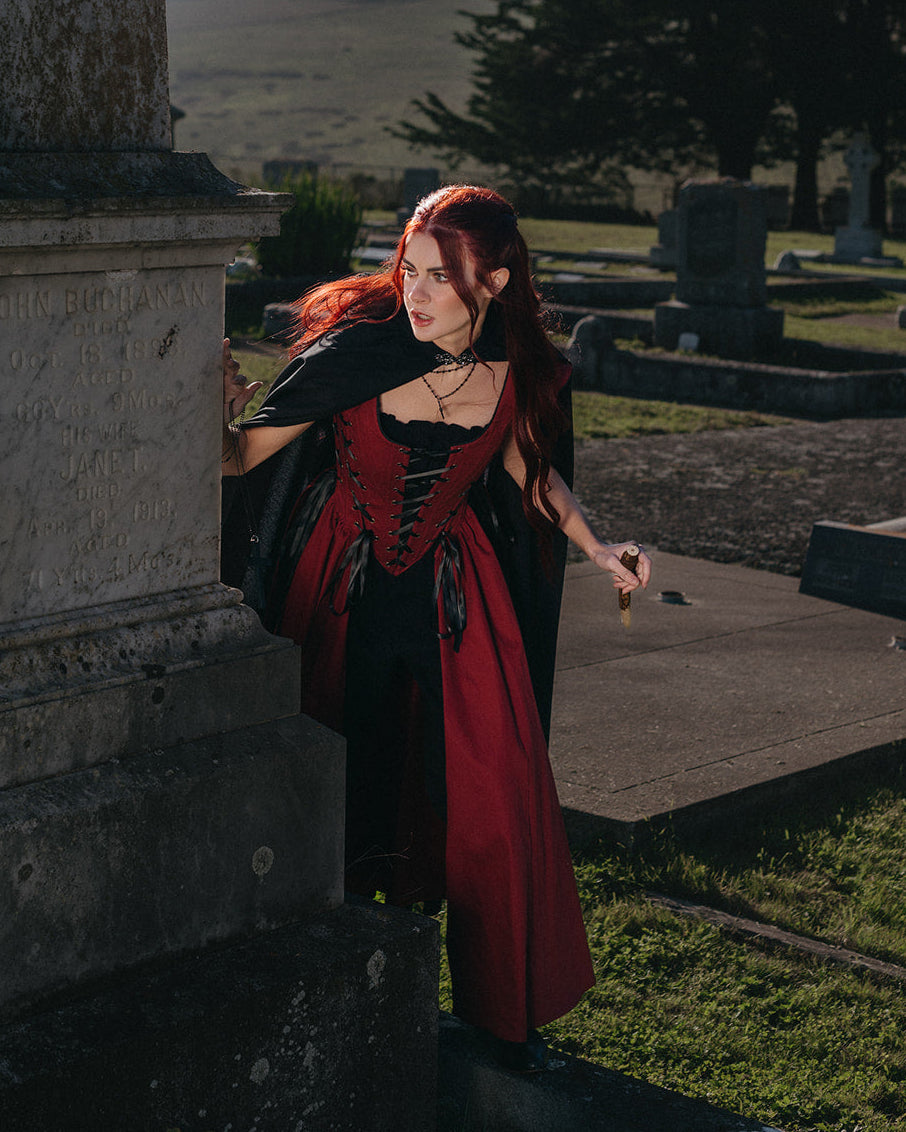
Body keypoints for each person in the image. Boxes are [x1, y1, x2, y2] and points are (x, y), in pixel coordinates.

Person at [221, 184, 651, 1071]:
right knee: (338, 764)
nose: (412, 293)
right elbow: (238, 460)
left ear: (491, 283)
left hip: (456, 592)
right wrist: (208, 403)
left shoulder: (514, 371)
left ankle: (500, 1009)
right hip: (336, 585)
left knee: (491, 787)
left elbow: (532, 476)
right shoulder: (356, 355)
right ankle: (330, 968)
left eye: (437, 278)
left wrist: (602, 549)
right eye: (408, 270)